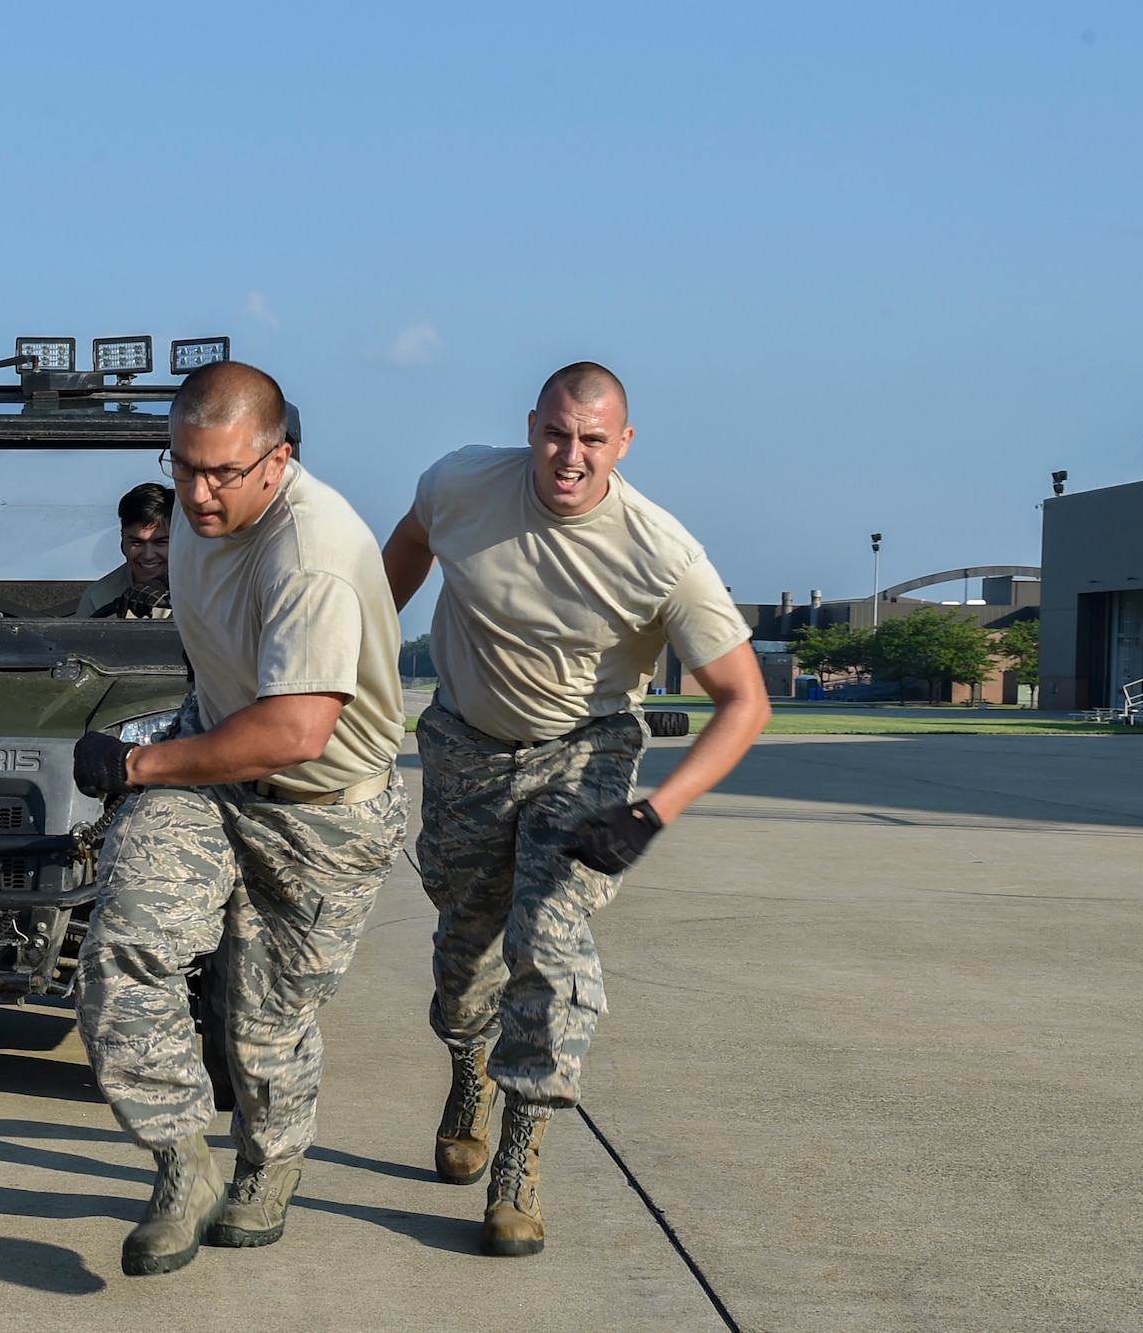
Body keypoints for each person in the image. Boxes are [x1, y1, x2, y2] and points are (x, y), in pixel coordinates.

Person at [381, 361, 770, 1258]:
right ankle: (468, 1071)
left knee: (549, 948)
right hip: (464, 748)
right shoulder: (458, 484)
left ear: (622, 445)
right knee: (463, 958)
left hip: (583, 754)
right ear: (531, 426)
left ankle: (517, 1165)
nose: (570, 455)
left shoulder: (660, 551)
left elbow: (744, 700)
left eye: (593, 439)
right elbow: (392, 572)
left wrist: (653, 813)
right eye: (557, 433)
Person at [71, 362, 405, 1276]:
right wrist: (170, 762)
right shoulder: (190, 514)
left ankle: (269, 1163)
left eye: (224, 473)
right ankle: (181, 1163)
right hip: (212, 766)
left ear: (278, 457)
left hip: (324, 810)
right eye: (184, 468)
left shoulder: (314, 553)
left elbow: (297, 730)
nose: (199, 493)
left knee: (265, 1024)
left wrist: (137, 763)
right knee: (124, 946)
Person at [77, 482, 175, 618]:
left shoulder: (207, 589)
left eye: (161, 542)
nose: (148, 555)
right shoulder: (97, 598)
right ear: (122, 539)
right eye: (137, 542)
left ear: (181, 540)